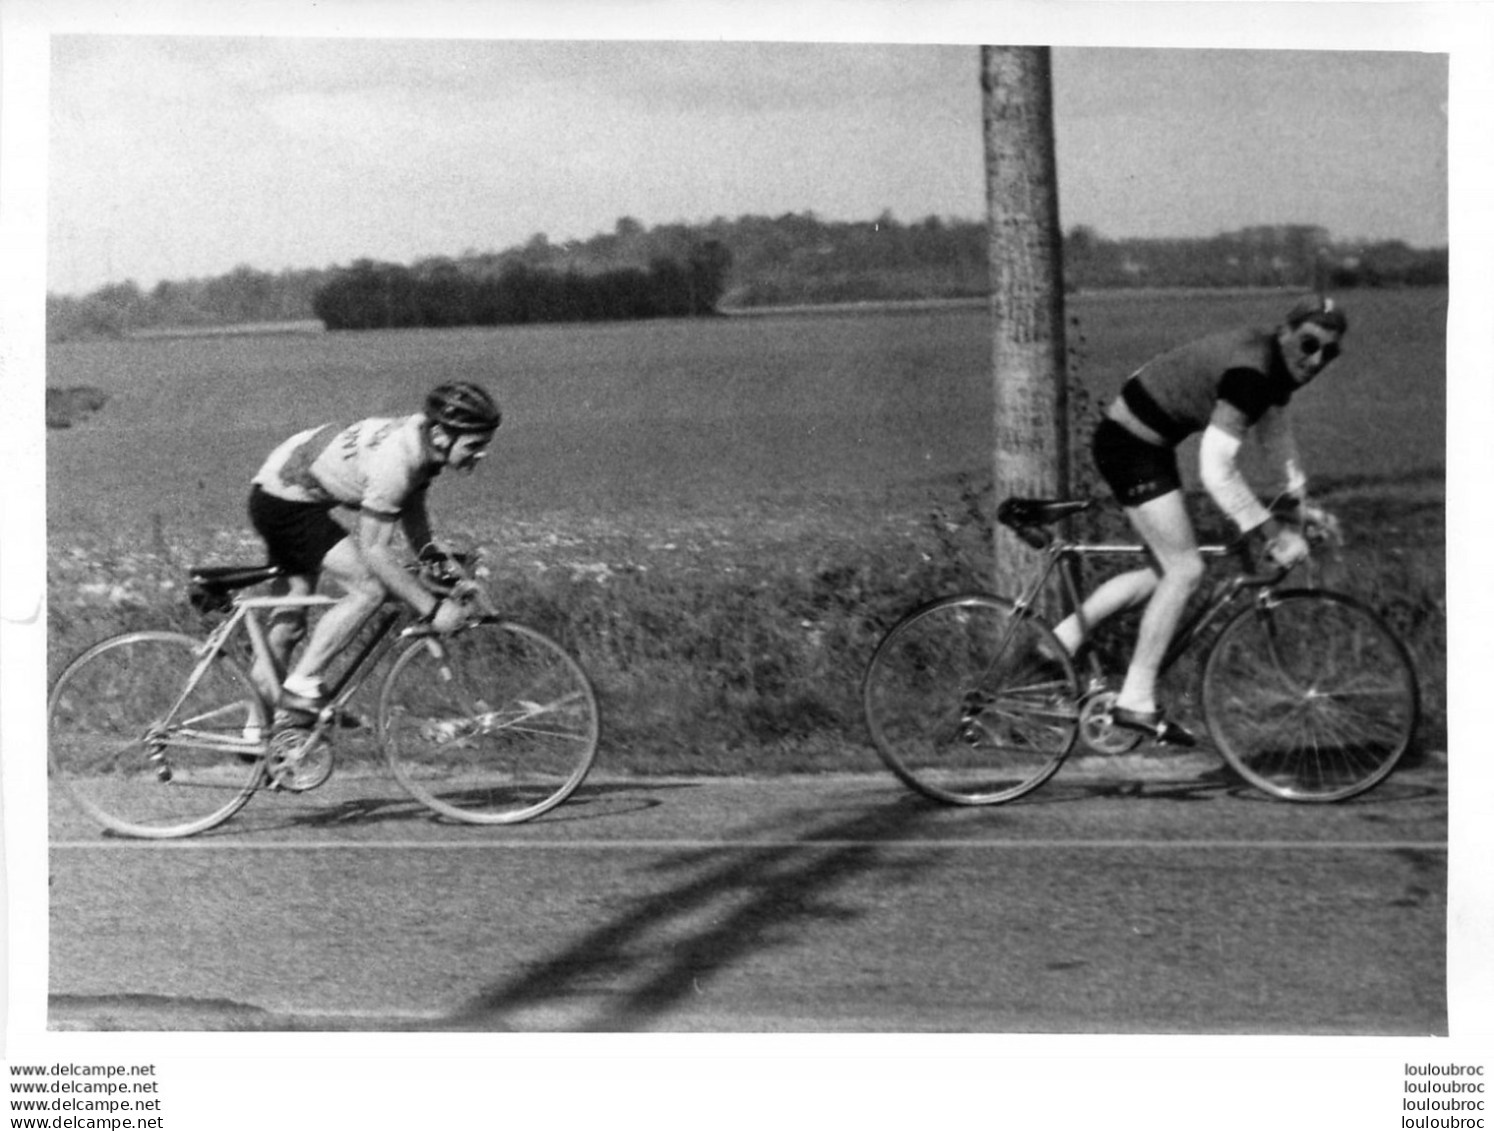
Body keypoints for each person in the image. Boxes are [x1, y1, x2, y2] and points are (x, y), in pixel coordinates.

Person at [1050, 295, 1347, 745]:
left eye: (1330, 352)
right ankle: (1135, 699)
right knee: (1187, 570)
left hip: (1147, 446)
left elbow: (1275, 435)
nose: (1317, 358)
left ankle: (1058, 641)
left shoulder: (1276, 369)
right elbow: (1215, 468)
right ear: (1285, 332)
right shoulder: (1252, 371)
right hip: (1130, 447)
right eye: (1310, 344)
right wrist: (1269, 530)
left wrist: (1301, 505)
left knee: (1164, 573)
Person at [246, 381, 502, 727]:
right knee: (369, 589)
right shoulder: (397, 461)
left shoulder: (424, 444)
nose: (481, 454)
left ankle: (255, 733)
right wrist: (432, 609)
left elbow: (412, 506)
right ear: (442, 434)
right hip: (284, 502)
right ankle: (302, 689)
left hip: (287, 489)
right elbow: (375, 551)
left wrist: (436, 561)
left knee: (289, 622)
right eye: (474, 445)